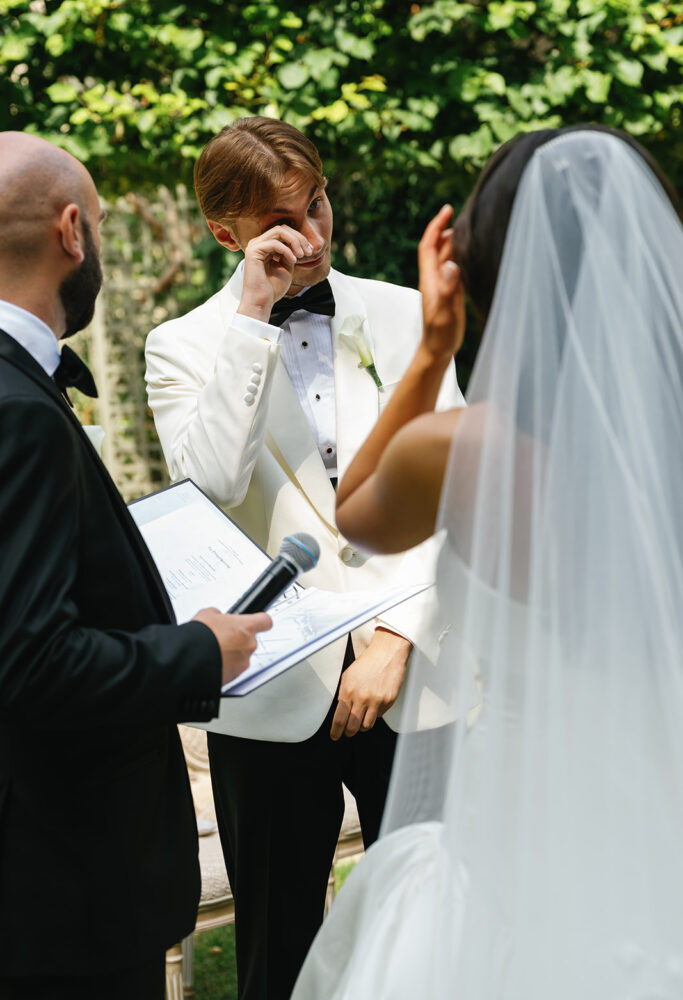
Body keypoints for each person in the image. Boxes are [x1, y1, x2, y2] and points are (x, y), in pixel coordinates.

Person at [291, 126, 683, 999]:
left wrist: (432, 347)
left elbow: (357, 516)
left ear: (484, 267)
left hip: (520, 828)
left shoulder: (460, 450)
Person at [144, 116, 465, 999]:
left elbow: (454, 489)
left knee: (445, 936)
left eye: (317, 204)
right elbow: (208, 482)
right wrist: (251, 321)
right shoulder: (179, 346)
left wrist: (399, 633)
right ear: (227, 234)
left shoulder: (404, 313)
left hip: (415, 678)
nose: (313, 236)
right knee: (278, 952)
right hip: (271, 695)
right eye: (284, 222)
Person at [0, 131, 272, 1000]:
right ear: (73, 233)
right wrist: (199, 649)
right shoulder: (20, 414)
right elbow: (31, 660)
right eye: (107, 227)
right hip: (57, 894)